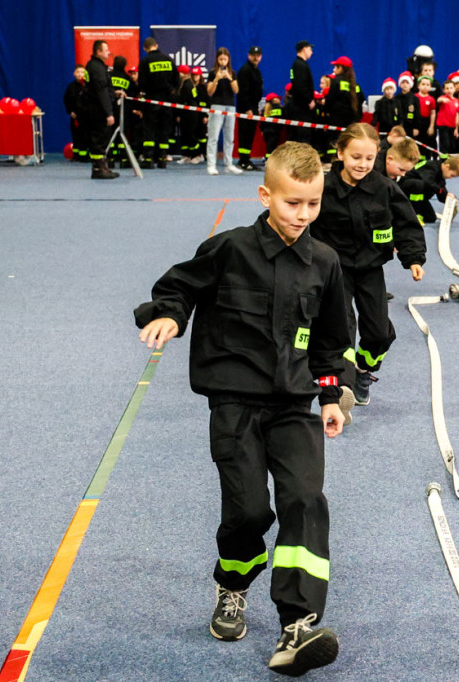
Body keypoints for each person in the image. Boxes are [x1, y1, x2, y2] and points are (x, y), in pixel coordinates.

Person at [134, 141, 347, 677]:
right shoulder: (228, 248)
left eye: (313, 204)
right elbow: (177, 286)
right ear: (265, 195)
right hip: (235, 404)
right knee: (249, 512)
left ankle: (298, 622)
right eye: (292, 203)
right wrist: (169, 316)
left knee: (304, 499)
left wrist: (329, 394)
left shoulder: (324, 262)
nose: (303, 215)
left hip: (297, 405)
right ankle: (232, 583)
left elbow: (331, 340)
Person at [309, 123, 426, 413]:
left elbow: (406, 224)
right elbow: (297, 217)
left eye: (369, 158)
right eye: (355, 157)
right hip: (335, 271)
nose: (362, 164)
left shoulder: (385, 188)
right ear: (340, 154)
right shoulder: (322, 187)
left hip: (371, 268)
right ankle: (341, 389)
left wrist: (413, 257)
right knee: (342, 328)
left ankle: (362, 371)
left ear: (378, 157)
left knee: (379, 333)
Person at [138, 37, 178, 169]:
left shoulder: (144, 62)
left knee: (149, 130)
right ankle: (162, 159)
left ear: (145, 48)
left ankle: (148, 159)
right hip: (167, 101)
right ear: (156, 45)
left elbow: (142, 83)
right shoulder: (168, 59)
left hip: (151, 100)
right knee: (164, 130)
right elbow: (176, 81)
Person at [82, 40, 118, 180]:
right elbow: (100, 91)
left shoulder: (95, 66)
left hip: (95, 108)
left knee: (102, 140)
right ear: (98, 52)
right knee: (99, 140)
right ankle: (98, 169)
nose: (108, 52)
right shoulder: (96, 68)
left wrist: (114, 93)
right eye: (106, 49)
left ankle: (103, 167)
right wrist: (108, 113)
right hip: (98, 110)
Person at [206, 48, 243, 175]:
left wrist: (229, 77)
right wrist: (216, 79)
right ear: (217, 59)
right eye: (221, 59)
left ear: (228, 60)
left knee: (229, 137)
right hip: (216, 106)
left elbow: (236, 90)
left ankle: (229, 164)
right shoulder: (212, 73)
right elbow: (209, 92)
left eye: (225, 59)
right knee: (213, 137)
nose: (223, 62)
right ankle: (211, 165)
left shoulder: (232, 73)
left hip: (230, 107)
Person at [399, 154, 459, 225]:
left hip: (418, 197)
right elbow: (428, 182)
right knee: (418, 184)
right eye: (452, 175)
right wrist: (440, 190)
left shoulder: (440, 177)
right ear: (447, 166)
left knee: (431, 218)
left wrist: (451, 199)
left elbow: (441, 195)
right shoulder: (432, 166)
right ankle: (415, 215)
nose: (451, 178)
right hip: (403, 190)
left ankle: (412, 212)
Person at [324, 56, 364, 158]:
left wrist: (325, 112)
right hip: (351, 120)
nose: (333, 70)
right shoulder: (356, 84)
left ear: (341, 68)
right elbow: (361, 100)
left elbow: (330, 99)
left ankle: (333, 159)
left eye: (336, 67)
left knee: (334, 141)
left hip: (336, 119)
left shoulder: (336, 81)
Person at [236, 46, 264, 171]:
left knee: (250, 134)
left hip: (253, 107)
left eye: (258, 55)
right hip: (245, 108)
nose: (255, 57)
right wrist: (247, 108)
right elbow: (242, 92)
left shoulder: (257, 71)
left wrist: (256, 107)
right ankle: (243, 160)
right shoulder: (245, 70)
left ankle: (246, 158)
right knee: (245, 134)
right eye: (253, 55)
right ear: (249, 56)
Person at [286, 41, 316, 146]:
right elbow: (300, 86)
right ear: (304, 49)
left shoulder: (297, 64)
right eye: (310, 49)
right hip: (301, 107)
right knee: (302, 135)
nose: (311, 52)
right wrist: (309, 100)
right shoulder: (300, 65)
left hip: (298, 105)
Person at [178, 66, 208, 164]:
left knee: (191, 134)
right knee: (186, 134)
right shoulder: (188, 84)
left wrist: (204, 115)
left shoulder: (188, 84)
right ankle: (187, 155)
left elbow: (186, 99)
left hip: (191, 113)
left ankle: (198, 154)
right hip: (187, 113)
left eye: (180, 72)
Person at [63, 66, 88, 163]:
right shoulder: (71, 87)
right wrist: (70, 112)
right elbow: (67, 101)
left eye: (82, 72)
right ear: (74, 73)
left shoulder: (88, 86)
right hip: (75, 116)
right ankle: (76, 155)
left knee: (86, 136)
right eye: (78, 72)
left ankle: (86, 156)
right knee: (76, 136)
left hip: (86, 116)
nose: (80, 74)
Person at [412, 76, 438, 153]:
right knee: (417, 142)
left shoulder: (431, 99)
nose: (425, 86)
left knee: (427, 142)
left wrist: (431, 126)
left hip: (426, 122)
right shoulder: (414, 97)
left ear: (430, 87)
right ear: (418, 86)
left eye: (428, 85)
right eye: (423, 84)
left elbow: (433, 113)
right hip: (417, 122)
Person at [435, 79, 459, 153]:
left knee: (452, 145)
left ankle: (451, 161)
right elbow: (438, 100)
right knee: (445, 144)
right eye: (447, 88)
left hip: (452, 127)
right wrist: (442, 100)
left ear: (455, 89)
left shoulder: (456, 101)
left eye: (451, 88)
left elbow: (457, 115)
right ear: (444, 90)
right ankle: (444, 161)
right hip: (443, 126)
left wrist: (456, 129)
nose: (449, 90)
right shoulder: (443, 98)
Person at [260, 92, 284, 159]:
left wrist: (262, 130)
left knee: (269, 147)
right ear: (274, 100)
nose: (279, 100)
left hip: (266, 131)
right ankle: (269, 160)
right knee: (272, 147)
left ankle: (267, 158)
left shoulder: (264, 110)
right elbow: (281, 119)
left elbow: (262, 122)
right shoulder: (278, 108)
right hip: (274, 131)